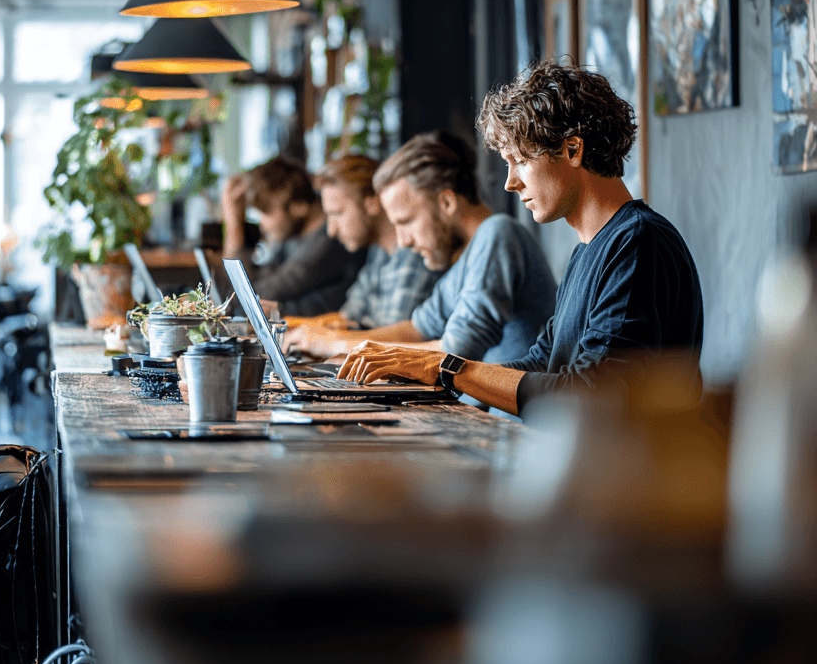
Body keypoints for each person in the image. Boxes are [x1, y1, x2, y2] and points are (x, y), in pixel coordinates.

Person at [338, 61, 705, 417]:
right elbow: (541, 361)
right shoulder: (589, 250)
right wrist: (429, 372)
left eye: (519, 160)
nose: (510, 182)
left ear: (572, 150)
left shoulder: (637, 243)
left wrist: (447, 368)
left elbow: (593, 393)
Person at [285, 131, 557, 366]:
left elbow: (455, 353)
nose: (403, 241)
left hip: (505, 426)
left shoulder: (498, 234)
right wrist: (332, 340)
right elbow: (416, 328)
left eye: (406, 221)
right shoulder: (469, 257)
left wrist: (338, 347)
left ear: (447, 203)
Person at [280, 155, 441, 344]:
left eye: (338, 213)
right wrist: (289, 326)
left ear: (372, 203)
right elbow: (346, 318)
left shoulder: (414, 255)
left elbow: (394, 342)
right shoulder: (379, 252)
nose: (331, 231)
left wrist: (328, 341)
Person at [221, 156, 365, 317]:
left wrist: (234, 224)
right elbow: (249, 286)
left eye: (266, 212)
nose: (263, 223)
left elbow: (248, 297)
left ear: (299, 207)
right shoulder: (295, 238)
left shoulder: (327, 241)